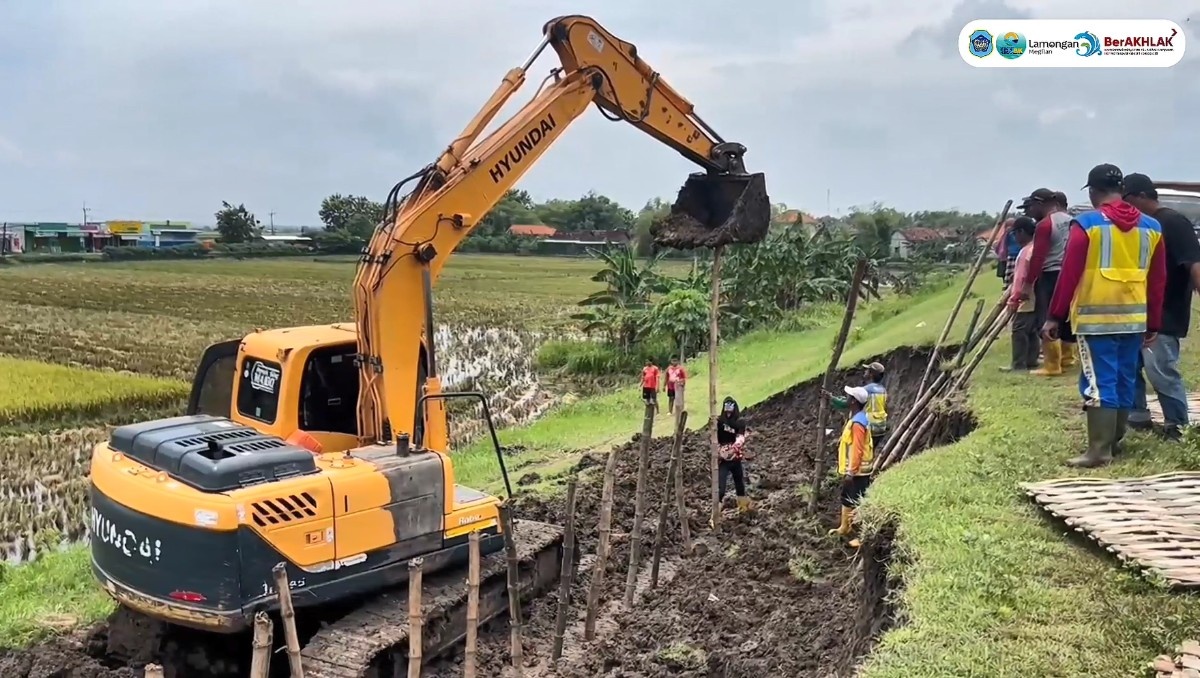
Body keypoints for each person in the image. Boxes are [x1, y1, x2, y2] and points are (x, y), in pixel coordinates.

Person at [1042, 164, 1166, 467]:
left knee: (1099, 381)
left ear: (1094, 191)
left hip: (1096, 319)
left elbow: (1069, 275)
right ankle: (1115, 442)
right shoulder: (1152, 228)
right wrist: (1154, 322)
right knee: (1124, 378)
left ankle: (1099, 451)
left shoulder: (1087, 224)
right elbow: (1158, 279)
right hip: (1134, 319)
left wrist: (1055, 315)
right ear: (1121, 190)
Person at [1122, 173, 1200, 440]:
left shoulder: (1173, 223)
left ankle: (1177, 425)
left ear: (1141, 196)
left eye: (1127, 200)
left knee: (1162, 371)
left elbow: (1194, 263)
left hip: (1167, 310)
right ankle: (1138, 416)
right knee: (1131, 366)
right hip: (1138, 310)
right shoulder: (1141, 225)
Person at [1023, 188, 1078, 375]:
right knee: (1068, 316)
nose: (1031, 210)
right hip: (1071, 273)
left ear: (1040, 203)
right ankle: (1068, 358)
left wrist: (1028, 283)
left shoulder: (1045, 225)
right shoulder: (1071, 220)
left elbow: (1038, 257)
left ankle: (1052, 365)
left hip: (1050, 274)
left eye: (1032, 205)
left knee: (1047, 316)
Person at [828, 385, 874, 548]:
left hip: (858, 471)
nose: (846, 399)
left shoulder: (858, 423)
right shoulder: (856, 417)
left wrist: (851, 472)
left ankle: (861, 536)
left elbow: (857, 449)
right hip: (855, 470)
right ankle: (845, 527)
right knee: (847, 497)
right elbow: (842, 404)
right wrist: (831, 398)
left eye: (848, 397)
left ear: (854, 401)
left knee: (858, 501)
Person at [1004, 216, 1040, 371]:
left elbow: (1020, 279)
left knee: (1019, 329)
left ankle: (1019, 364)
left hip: (1026, 294)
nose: (1015, 237)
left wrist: (1014, 299)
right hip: (1037, 293)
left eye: (1015, 234)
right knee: (1031, 329)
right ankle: (1031, 360)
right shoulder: (1036, 248)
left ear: (1022, 232)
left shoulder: (1025, 252)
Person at [827, 362, 889, 449]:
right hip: (881, 427)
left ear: (871, 374)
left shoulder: (866, 390)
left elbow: (847, 403)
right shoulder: (883, 390)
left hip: (869, 426)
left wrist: (831, 398)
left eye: (867, 370)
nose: (865, 372)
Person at [715, 396, 751, 517]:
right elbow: (714, 438)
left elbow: (741, 437)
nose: (728, 413)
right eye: (727, 410)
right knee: (721, 487)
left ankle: (744, 509)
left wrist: (734, 448)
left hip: (735, 458)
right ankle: (715, 512)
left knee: (739, 483)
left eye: (731, 409)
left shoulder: (739, 422)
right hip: (723, 459)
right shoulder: (719, 422)